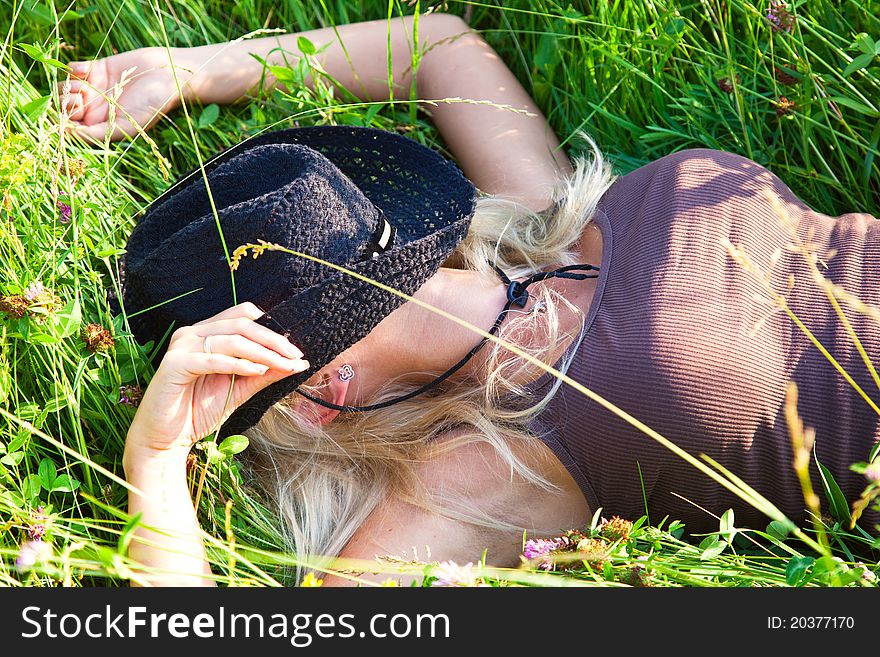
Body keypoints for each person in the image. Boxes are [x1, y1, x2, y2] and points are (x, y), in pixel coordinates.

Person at [61, 12, 879, 587]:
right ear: (317, 395)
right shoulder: (483, 475)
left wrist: (195, 69)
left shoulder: (545, 224)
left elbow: (441, 46)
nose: (334, 231)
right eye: (300, 278)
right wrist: (158, 463)